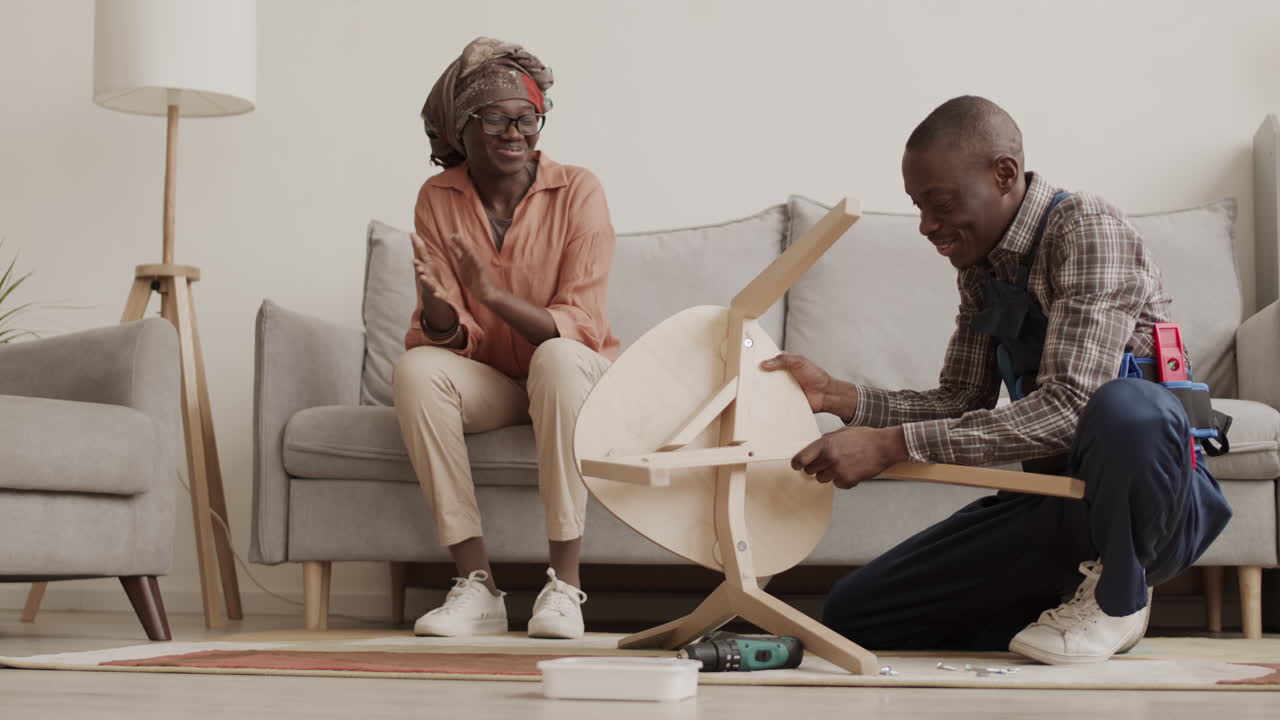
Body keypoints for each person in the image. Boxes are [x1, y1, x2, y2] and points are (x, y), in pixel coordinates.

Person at [761, 95, 1232, 664]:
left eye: (938, 203)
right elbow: (961, 398)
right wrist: (838, 396)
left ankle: (1119, 594)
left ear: (1004, 174)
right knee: (856, 614)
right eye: (918, 207)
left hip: (1155, 499)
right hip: (1057, 501)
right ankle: (1063, 599)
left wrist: (891, 446)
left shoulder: (1087, 229)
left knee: (1124, 405)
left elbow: (1071, 406)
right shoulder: (982, 266)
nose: (926, 226)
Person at [393, 37, 619, 640]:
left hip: (573, 377)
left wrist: (491, 296)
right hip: (495, 381)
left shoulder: (579, 191)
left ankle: (564, 587)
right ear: (462, 128)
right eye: (494, 118)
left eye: (526, 118)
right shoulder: (437, 198)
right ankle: (477, 586)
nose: (513, 132)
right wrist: (440, 309)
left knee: (559, 357)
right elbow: (444, 339)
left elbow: (582, 324)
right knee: (415, 371)